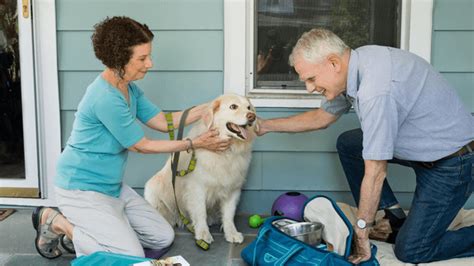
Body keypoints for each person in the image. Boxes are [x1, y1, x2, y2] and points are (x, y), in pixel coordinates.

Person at [257, 28, 474, 264]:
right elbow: (322, 118)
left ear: (333, 63)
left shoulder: (375, 90)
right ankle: (393, 217)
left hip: (453, 163)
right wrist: (265, 125)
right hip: (425, 147)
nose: (310, 88)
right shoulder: (356, 64)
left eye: (311, 79)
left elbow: (375, 171)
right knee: (350, 143)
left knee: (412, 250)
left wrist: (362, 231)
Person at [32, 16, 230, 259]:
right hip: (81, 188)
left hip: (112, 187)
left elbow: (162, 121)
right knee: (129, 255)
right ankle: (57, 222)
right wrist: (194, 143)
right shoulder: (105, 97)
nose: (150, 64)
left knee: (163, 236)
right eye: (142, 58)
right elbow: (142, 146)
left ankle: (105, 227)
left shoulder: (128, 87)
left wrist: (210, 107)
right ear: (119, 60)